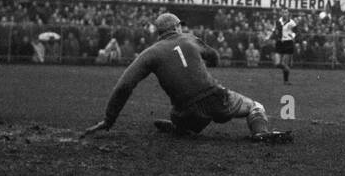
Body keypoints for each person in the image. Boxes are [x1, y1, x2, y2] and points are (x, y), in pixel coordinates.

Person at [82, 12, 292, 143]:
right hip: (215, 97)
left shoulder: (150, 53)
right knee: (256, 106)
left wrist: (108, 120)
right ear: (175, 27)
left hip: (184, 110)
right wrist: (206, 63)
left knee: (184, 117)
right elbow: (215, 56)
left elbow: (123, 86)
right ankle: (260, 133)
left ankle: (179, 127)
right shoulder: (189, 38)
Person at [270, 14, 298, 83]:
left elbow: (296, 31)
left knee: (284, 62)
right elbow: (274, 31)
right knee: (277, 63)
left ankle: (286, 80)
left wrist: (292, 36)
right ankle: (287, 69)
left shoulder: (292, 22)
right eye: (283, 12)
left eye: (286, 12)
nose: (284, 14)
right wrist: (273, 37)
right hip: (279, 44)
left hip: (287, 44)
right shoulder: (278, 22)